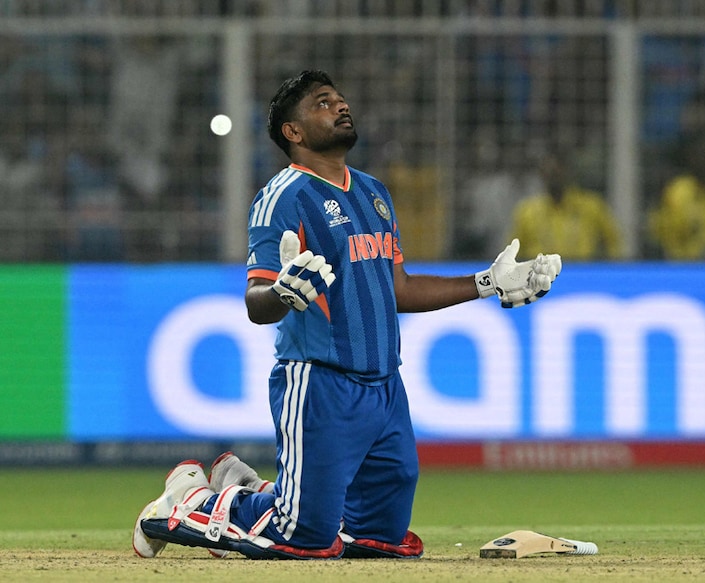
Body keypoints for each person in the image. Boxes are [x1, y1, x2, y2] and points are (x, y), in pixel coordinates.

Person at [133, 70, 562, 560]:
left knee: (379, 539)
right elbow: (256, 303)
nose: (340, 106)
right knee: (304, 538)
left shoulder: (373, 192)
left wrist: (485, 284)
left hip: (385, 388)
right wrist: (283, 292)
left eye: (339, 99)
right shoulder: (282, 198)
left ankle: (251, 491)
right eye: (322, 102)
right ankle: (189, 500)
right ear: (292, 132)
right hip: (320, 382)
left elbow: (399, 288)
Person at [508, 149, 623, 261]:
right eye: (549, 173)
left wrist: (605, 269)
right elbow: (512, 254)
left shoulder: (592, 207)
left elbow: (614, 244)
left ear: (568, 173)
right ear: (542, 175)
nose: (553, 178)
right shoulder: (527, 211)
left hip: (581, 271)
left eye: (557, 173)